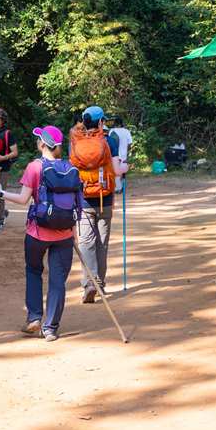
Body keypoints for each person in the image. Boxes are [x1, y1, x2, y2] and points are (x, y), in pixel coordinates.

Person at [0, 126, 76, 342]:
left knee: (33, 271)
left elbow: (22, 199)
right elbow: (76, 203)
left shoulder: (34, 167)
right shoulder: (70, 167)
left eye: (39, 139)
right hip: (65, 233)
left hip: (38, 232)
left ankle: (35, 318)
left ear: (42, 144)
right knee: (58, 281)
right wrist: (74, 232)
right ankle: (51, 328)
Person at [69, 106, 128, 303]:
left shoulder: (75, 141)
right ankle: (99, 284)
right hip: (105, 199)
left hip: (83, 198)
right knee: (102, 243)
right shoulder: (109, 141)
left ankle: (89, 283)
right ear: (101, 122)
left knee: (86, 242)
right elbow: (117, 170)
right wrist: (126, 167)